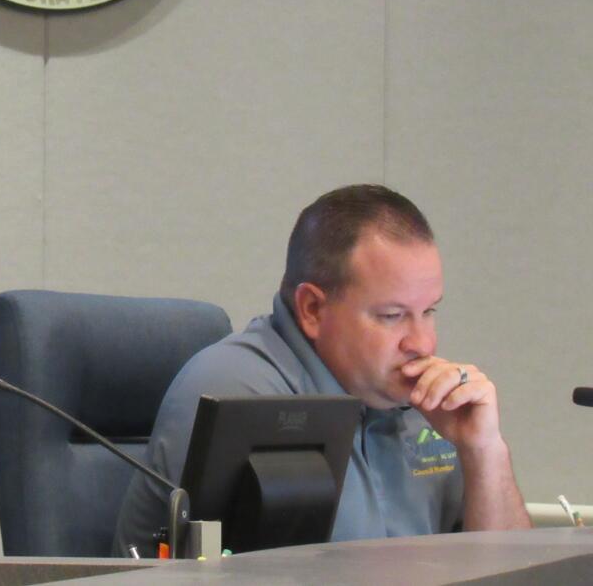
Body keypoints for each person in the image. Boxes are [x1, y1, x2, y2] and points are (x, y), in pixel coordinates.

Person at [114, 184, 530, 555]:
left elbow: (515, 574)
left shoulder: (419, 400)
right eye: (392, 316)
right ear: (313, 309)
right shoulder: (239, 393)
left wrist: (484, 451)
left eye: (429, 311)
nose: (422, 343)